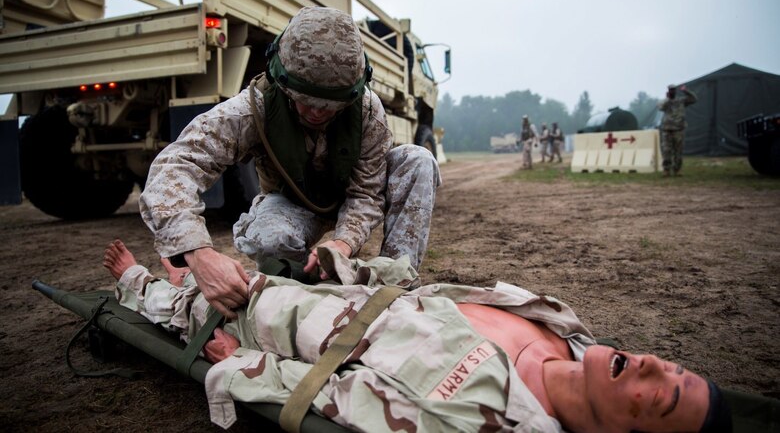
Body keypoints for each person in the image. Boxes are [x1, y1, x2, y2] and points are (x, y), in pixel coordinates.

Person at [104, 240, 732, 433]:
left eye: (665, 397)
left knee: (197, 299)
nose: (652, 362)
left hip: (294, 326)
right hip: (351, 293)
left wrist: (240, 365)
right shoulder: (564, 326)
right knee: (245, 262)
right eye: (674, 367)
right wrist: (363, 267)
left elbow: (334, 397)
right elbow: (438, 300)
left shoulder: (481, 417)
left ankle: (137, 284)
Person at [138, 6, 441, 320]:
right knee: (269, 239)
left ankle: (394, 287)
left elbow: (365, 194)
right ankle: (302, 294)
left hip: (347, 196)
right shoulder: (253, 108)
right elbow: (175, 165)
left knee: (418, 159)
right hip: (292, 203)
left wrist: (343, 243)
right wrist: (197, 253)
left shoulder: (366, 109)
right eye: (306, 101)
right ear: (280, 78)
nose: (316, 114)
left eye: (330, 106)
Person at [658, 84, 697, 177]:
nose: (672, 92)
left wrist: (686, 91)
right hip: (667, 130)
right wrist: (668, 99)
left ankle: (677, 170)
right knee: (666, 150)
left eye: (674, 90)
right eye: (671, 90)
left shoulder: (681, 101)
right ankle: (666, 170)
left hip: (679, 129)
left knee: (678, 150)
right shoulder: (665, 102)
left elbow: (694, 99)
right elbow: (660, 107)